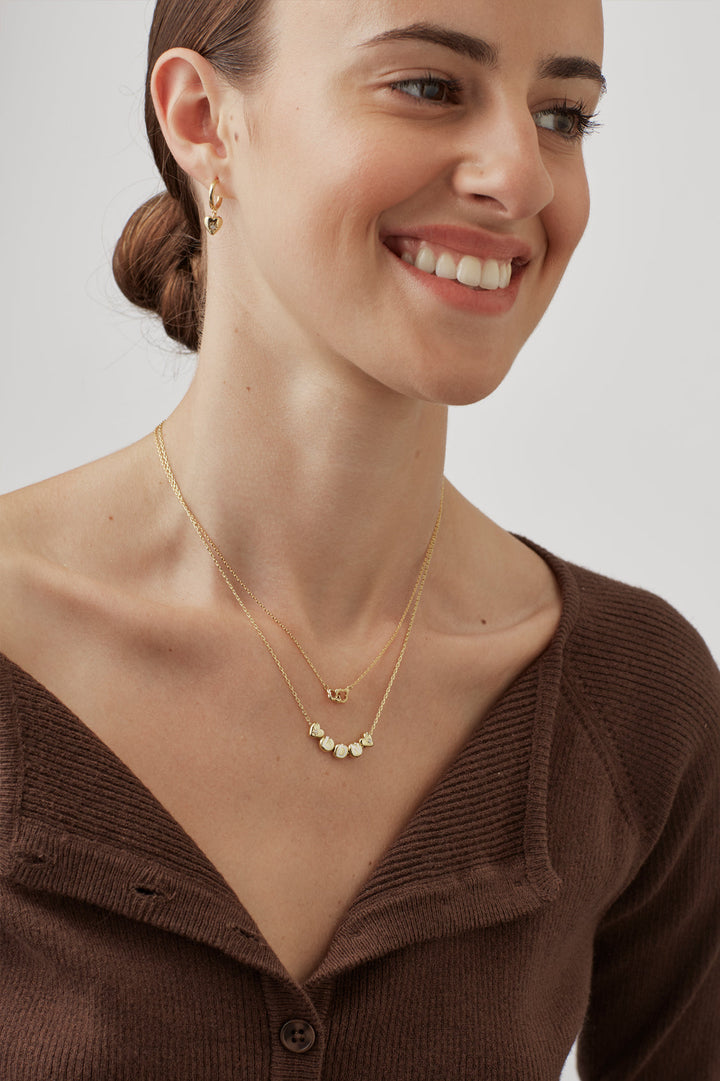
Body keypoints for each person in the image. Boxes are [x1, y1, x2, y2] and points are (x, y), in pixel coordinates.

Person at [0, 0, 717, 1078]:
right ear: (202, 119)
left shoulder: (633, 700)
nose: (521, 178)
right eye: (428, 87)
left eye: (563, 115)